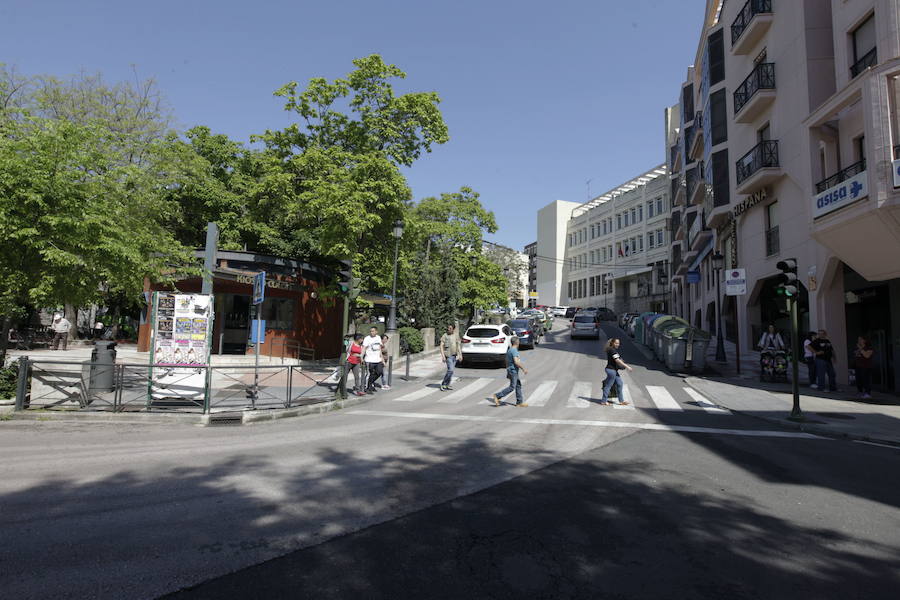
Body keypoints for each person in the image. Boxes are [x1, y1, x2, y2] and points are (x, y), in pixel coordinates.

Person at [491, 336, 528, 407]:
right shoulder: (514, 350)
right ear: (517, 342)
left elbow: (506, 361)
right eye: (519, 341)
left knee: (518, 385)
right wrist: (524, 369)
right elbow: (516, 362)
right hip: (513, 371)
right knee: (512, 387)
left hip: (511, 370)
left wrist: (508, 369)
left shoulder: (509, 350)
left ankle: (519, 402)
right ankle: (497, 395)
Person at [601, 338, 633, 406]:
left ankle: (621, 401)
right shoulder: (612, 350)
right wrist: (627, 366)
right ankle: (604, 401)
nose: (618, 344)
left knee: (620, 383)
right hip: (611, 370)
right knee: (608, 386)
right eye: (616, 343)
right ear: (612, 343)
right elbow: (617, 360)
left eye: (618, 343)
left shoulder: (611, 349)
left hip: (613, 370)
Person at [439, 324, 462, 391]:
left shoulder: (456, 336)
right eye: (448, 328)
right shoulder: (445, 335)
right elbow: (441, 346)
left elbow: (458, 346)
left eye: (450, 328)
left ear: (453, 329)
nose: (448, 329)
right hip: (448, 356)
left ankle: (447, 384)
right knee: (450, 370)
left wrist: (460, 355)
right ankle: (443, 384)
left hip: (454, 356)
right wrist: (443, 356)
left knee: (451, 371)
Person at [362, 326, 384, 394]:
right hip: (369, 359)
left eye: (373, 331)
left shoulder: (378, 337)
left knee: (379, 372)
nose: (372, 332)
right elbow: (364, 348)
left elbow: (380, 348)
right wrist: (361, 357)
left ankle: (370, 383)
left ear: (376, 331)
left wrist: (382, 358)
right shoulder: (367, 338)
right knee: (369, 374)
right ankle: (367, 387)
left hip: (378, 359)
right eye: (371, 331)